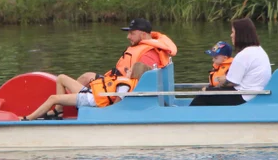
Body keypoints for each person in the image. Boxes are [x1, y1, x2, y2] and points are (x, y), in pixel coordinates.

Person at [23, 18, 177, 120]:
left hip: (116, 90)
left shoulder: (148, 54)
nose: (128, 37)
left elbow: (142, 81)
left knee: (83, 80)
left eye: (132, 33)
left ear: (143, 34)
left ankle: (77, 107)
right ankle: (61, 110)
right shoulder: (141, 46)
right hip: (114, 84)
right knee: (84, 77)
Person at [189, 18, 271, 106]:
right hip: (254, 94)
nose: (231, 35)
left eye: (233, 32)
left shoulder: (244, 55)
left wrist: (216, 85)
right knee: (210, 91)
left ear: (240, 34)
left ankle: (187, 117)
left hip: (243, 96)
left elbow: (230, 82)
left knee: (204, 95)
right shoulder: (259, 50)